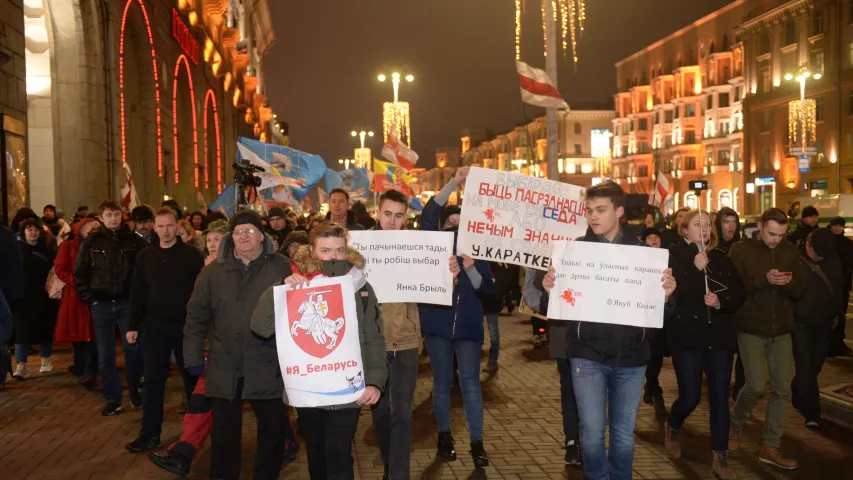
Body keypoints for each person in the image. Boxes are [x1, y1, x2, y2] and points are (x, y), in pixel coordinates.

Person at [542, 181, 676, 480]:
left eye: (601, 210)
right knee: (590, 432)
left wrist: (665, 296)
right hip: (586, 355)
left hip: (631, 358)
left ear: (619, 212)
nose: (593, 216)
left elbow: (661, 315)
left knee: (624, 435)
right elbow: (554, 307)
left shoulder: (645, 255)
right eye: (589, 210)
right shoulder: (574, 252)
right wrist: (550, 289)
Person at [252, 223, 386, 480]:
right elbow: (260, 326)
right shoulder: (297, 284)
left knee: (338, 451)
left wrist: (376, 382)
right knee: (316, 453)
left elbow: (373, 338)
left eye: (339, 250)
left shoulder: (361, 288)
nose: (333, 257)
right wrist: (280, 290)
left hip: (348, 388)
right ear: (311, 251)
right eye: (326, 250)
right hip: (308, 388)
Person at [183, 209, 292, 480]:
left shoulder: (280, 266)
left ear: (262, 236)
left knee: (273, 428)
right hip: (225, 364)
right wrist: (193, 356)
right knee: (224, 434)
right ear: (232, 237)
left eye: (250, 231)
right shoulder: (213, 272)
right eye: (239, 231)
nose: (244, 236)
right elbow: (196, 316)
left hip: (267, 363)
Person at [419, 167, 494, 468]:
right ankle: (444, 437)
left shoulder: (479, 250)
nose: (454, 227)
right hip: (437, 324)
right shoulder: (433, 244)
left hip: (468, 326)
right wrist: (454, 182)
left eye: (460, 223)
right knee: (440, 384)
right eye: (449, 223)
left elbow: (488, 293)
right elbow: (428, 214)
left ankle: (477, 442)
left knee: (470, 384)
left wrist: (472, 267)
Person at [664, 209, 745, 479]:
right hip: (688, 338)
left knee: (720, 398)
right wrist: (693, 269)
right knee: (690, 396)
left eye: (708, 224)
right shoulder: (673, 257)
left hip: (719, 339)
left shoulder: (721, 257)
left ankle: (720, 455)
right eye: (698, 224)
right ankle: (673, 424)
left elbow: (738, 294)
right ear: (685, 230)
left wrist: (720, 302)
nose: (705, 229)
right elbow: (676, 296)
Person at [728, 208, 804, 470]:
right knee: (756, 385)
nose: (775, 239)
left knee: (782, 389)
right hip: (751, 327)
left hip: (782, 329)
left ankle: (770, 446)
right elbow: (735, 287)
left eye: (781, 235)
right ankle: (736, 422)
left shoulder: (791, 252)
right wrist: (765, 279)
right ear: (760, 227)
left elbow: (801, 290)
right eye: (771, 233)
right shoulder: (740, 250)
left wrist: (790, 283)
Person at [125, 207, 205, 452]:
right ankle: (150, 435)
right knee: (152, 382)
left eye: (169, 225)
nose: (165, 231)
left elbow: (201, 293)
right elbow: (137, 292)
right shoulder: (145, 256)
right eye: (160, 226)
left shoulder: (192, 256)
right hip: (154, 327)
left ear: (178, 225)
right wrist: (132, 325)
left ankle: (194, 437)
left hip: (185, 327)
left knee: (192, 381)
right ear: (154, 227)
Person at [366, 189, 421, 480]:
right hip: (374, 344)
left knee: (402, 413)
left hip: (406, 342)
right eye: (387, 214)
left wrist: (447, 275)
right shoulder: (360, 247)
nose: (392, 221)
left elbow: (436, 287)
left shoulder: (418, 247)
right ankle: (389, 464)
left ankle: (398, 475)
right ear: (378, 213)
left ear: (406, 217)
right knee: (380, 414)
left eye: (398, 215)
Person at [74, 199, 147, 416]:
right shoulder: (92, 242)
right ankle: (113, 399)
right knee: (105, 356)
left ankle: (134, 388)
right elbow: (80, 273)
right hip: (101, 304)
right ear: (101, 218)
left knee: (132, 349)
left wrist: (141, 300)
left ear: (122, 216)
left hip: (128, 303)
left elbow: (145, 272)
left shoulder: (135, 241)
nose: (113, 218)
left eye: (116, 214)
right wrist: (89, 298)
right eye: (108, 215)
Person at [791, 228, 843, 428]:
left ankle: (798, 390)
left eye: (823, 256)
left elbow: (839, 287)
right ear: (808, 244)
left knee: (814, 366)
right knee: (805, 365)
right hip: (800, 322)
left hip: (824, 322)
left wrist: (836, 312)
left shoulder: (833, 260)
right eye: (816, 254)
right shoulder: (795, 258)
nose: (818, 258)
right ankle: (812, 411)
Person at [532, 268, 582, 467]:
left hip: (590, 328)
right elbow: (537, 283)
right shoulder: (553, 251)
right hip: (561, 329)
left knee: (590, 389)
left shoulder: (593, 245)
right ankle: (572, 442)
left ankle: (586, 440)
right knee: (569, 388)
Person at [54, 218, 100, 389]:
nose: (93, 229)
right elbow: (60, 269)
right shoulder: (69, 246)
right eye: (90, 226)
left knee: (94, 335)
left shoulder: (102, 246)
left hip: (96, 294)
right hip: (74, 295)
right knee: (78, 334)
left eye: (97, 227)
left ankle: (90, 371)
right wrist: (77, 282)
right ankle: (80, 366)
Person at [11, 219, 58, 379]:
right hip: (22, 298)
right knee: (22, 333)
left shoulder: (47, 251)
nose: (33, 233)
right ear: (23, 232)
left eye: (36, 229)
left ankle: (46, 360)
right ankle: (20, 365)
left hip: (44, 297)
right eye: (29, 230)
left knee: (44, 329)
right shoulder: (17, 250)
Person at [640, 226, 669, 417]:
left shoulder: (668, 260)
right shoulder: (638, 259)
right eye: (649, 237)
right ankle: (655, 391)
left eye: (655, 237)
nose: (653, 240)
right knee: (648, 358)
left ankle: (652, 387)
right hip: (644, 319)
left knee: (656, 359)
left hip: (663, 320)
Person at [828, 216, 853, 357]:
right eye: (835, 225)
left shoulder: (848, 244)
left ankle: (838, 341)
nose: (838, 228)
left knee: (841, 314)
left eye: (840, 226)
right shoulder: (826, 242)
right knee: (829, 314)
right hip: (828, 284)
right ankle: (828, 343)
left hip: (843, 284)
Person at [482, 262, 513, 373]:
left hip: (492, 303)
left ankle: (493, 360)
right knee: (476, 334)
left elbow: (505, 281)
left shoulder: (501, 264)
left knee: (493, 334)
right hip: (477, 301)